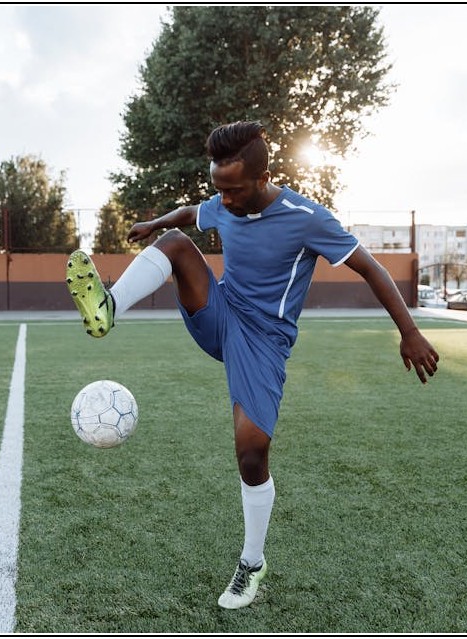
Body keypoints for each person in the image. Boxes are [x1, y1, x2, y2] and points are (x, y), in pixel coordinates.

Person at [65, 121, 439, 609]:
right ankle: (108, 307)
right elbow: (192, 213)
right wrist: (155, 224)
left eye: (234, 191)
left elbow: (371, 267)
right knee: (176, 242)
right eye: (219, 189)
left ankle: (252, 563)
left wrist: (409, 331)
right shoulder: (225, 201)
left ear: (263, 178)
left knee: (251, 453)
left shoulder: (307, 218)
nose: (225, 201)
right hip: (220, 313)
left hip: (263, 342)